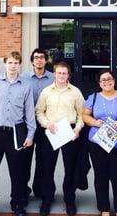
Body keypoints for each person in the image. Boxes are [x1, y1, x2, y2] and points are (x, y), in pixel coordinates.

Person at [0, 51, 36, 216]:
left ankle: (17, 204)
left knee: (18, 173)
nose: (13, 66)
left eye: (16, 63)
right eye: (10, 62)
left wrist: (30, 135)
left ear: (20, 65)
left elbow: (30, 113)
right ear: (5, 64)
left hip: (16, 133)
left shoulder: (26, 86)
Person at [82, 70, 117, 216]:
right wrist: (95, 122)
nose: (106, 82)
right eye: (103, 80)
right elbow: (84, 115)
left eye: (109, 79)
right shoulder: (93, 97)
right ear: (99, 83)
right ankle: (104, 208)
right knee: (101, 175)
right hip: (97, 143)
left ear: (114, 80)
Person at [35, 61, 84, 216]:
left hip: (70, 132)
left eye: (64, 73)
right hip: (51, 131)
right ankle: (47, 198)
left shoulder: (75, 92)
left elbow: (82, 115)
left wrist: (77, 128)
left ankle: (69, 199)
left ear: (68, 75)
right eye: (59, 73)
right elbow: (39, 112)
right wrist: (46, 123)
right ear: (54, 74)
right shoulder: (46, 91)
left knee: (70, 168)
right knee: (47, 168)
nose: (61, 76)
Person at [21, 48, 54, 198]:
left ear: (46, 60)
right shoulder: (23, 78)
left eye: (42, 57)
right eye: (36, 57)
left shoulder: (54, 78)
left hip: (46, 124)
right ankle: (23, 190)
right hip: (27, 124)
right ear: (32, 60)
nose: (39, 60)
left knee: (43, 158)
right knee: (24, 159)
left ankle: (41, 189)